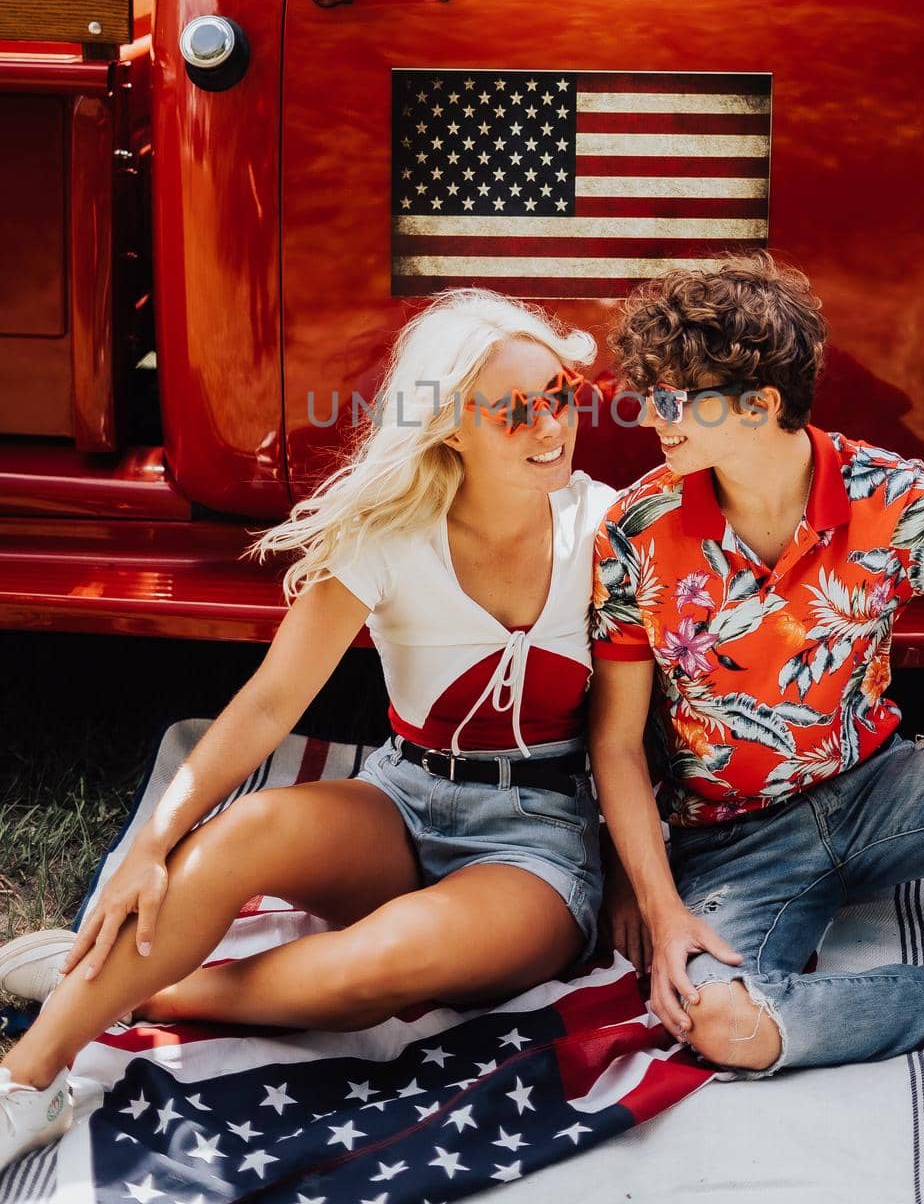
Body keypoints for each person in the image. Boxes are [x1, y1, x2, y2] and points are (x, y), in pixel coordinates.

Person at [0, 289, 617, 1172]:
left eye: (558, 395)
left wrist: (641, 885)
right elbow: (264, 706)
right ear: (446, 425)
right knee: (241, 831)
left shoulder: (610, 530)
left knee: (371, 969)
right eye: (514, 410)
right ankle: (28, 1081)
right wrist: (153, 844)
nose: (549, 426)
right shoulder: (388, 537)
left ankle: (123, 989)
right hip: (406, 798)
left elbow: (657, 727)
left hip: (541, 844)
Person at [588, 252, 924, 1080]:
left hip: (885, 792)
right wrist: (662, 907)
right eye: (650, 392)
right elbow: (618, 745)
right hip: (731, 841)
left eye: (675, 398)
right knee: (721, 1023)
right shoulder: (636, 529)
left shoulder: (894, 500)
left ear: (760, 403)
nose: (652, 416)